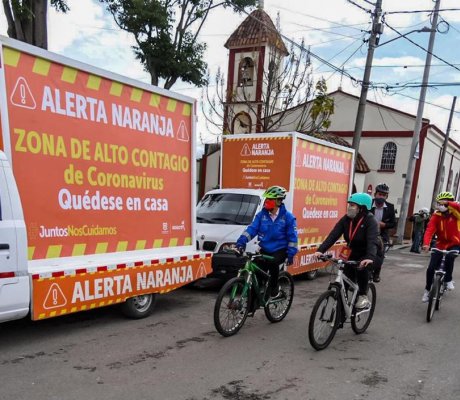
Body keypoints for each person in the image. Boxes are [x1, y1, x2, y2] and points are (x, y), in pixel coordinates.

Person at [314, 193, 381, 309]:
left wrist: (369, 257)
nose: (349, 207)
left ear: (362, 208)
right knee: (344, 278)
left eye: (353, 205)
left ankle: (363, 296)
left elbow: (372, 241)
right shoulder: (346, 219)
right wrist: (320, 250)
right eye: (349, 204)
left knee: (362, 269)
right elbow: (333, 235)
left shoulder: (371, 221)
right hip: (352, 251)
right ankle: (341, 312)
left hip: (370, 253)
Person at [236, 185, 298, 300]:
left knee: (274, 263)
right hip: (264, 249)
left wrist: (291, 254)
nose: (266, 202)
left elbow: (292, 238)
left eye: (270, 199)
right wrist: (241, 242)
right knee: (256, 273)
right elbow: (252, 229)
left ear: (278, 201)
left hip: (280, 250)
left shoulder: (288, 218)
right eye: (266, 199)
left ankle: (274, 290)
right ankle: (251, 305)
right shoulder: (261, 215)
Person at [421, 192, 460, 302]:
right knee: (431, 268)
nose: (441, 205)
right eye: (440, 203)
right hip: (440, 243)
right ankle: (427, 290)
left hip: (454, 243)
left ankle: (448, 280)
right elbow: (429, 230)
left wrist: (448, 203)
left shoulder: (457, 214)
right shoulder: (436, 216)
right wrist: (426, 244)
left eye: (444, 203)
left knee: (450, 257)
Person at [370, 183, 396, 282]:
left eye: (384, 195)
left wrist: (384, 225)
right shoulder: (368, 204)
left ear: (386, 196)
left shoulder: (390, 207)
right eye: (379, 194)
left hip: (382, 235)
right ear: (375, 194)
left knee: (379, 255)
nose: (381, 196)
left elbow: (393, 223)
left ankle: (376, 273)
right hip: (368, 233)